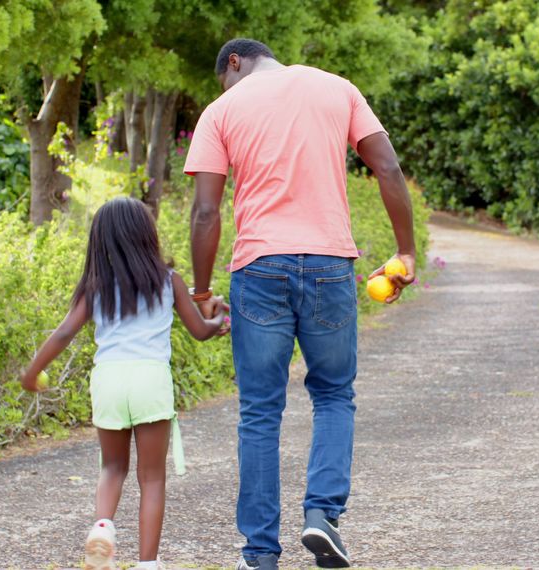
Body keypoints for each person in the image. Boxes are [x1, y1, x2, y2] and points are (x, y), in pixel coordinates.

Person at [183, 38, 417, 570]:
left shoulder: (221, 110)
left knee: (260, 412)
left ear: (235, 62)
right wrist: (404, 251)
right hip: (330, 264)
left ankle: (260, 554)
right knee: (333, 395)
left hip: (259, 267)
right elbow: (388, 168)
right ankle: (322, 516)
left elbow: (205, 212)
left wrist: (200, 295)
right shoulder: (338, 89)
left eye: (225, 77)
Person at [20, 197, 226, 570]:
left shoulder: (95, 287)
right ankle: (148, 563)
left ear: (101, 241)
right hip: (150, 379)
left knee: (112, 467)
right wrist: (219, 320)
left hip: (110, 380)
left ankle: (102, 529)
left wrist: (32, 371)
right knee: (152, 478)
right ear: (147, 235)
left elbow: (66, 331)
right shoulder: (169, 281)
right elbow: (200, 330)